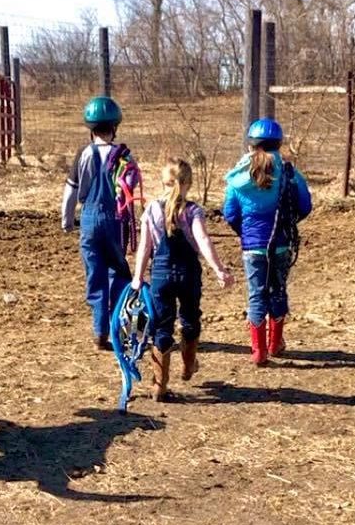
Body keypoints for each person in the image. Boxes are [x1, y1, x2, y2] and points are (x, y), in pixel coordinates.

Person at [131, 158, 234, 401]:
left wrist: (137, 277)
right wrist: (219, 269)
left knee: (161, 326)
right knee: (189, 319)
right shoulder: (193, 210)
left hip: (161, 275)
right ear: (188, 183)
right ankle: (188, 367)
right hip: (188, 273)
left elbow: (144, 247)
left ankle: (159, 385)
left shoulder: (152, 210)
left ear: (163, 182)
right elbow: (203, 241)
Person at [223, 117, 312, 366]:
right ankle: (275, 344)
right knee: (278, 290)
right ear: (278, 143)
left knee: (256, 294)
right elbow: (305, 205)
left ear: (251, 144)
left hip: (252, 247)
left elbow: (230, 212)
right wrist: (288, 224)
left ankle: (258, 350)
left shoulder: (238, 175)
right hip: (281, 243)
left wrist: (245, 233)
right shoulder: (289, 172)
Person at [62, 96, 133, 351]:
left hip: (89, 219)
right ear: (115, 127)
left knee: (95, 274)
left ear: (91, 129)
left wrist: (67, 220)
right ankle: (119, 324)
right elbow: (131, 190)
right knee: (119, 272)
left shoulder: (84, 153)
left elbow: (71, 190)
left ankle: (99, 331)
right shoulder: (123, 155)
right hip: (115, 220)